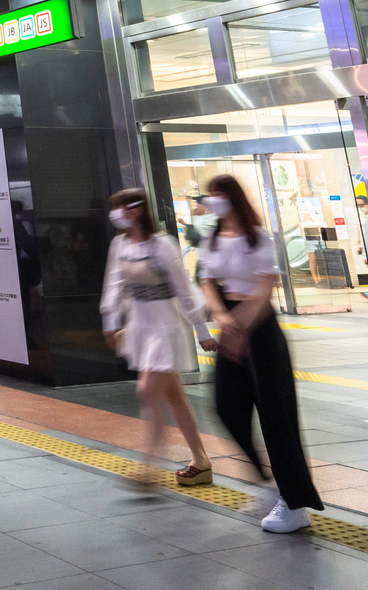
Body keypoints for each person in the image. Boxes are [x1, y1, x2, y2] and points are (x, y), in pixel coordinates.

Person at [199, 174, 323, 533]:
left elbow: (264, 288)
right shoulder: (213, 238)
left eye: (219, 193)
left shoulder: (259, 237)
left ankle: (296, 504)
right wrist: (223, 319)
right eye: (211, 194)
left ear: (234, 197)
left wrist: (239, 328)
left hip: (262, 332)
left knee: (275, 416)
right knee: (226, 407)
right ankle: (269, 482)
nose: (213, 199)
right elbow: (207, 281)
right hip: (232, 327)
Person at [100, 188, 216, 487]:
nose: (116, 214)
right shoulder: (120, 244)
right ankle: (201, 461)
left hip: (165, 327)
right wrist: (110, 321)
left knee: (148, 392)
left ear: (137, 210)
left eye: (121, 208)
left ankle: (147, 466)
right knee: (173, 395)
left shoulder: (161, 245)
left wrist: (201, 331)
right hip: (140, 326)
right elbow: (114, 286)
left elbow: (183, 290)